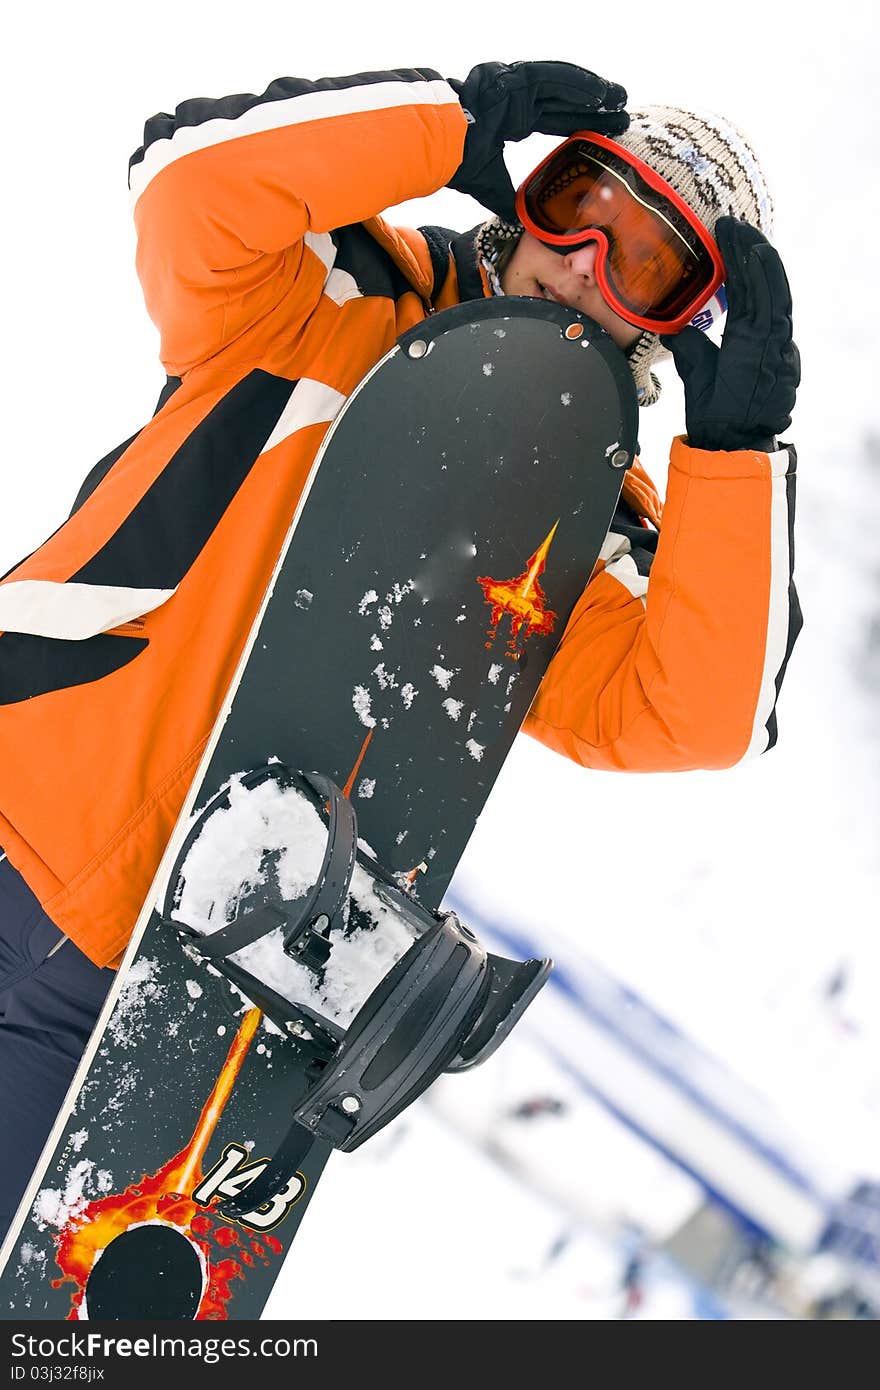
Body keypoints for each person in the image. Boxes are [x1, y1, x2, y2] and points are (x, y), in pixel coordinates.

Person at [0, 61, 800, 1242]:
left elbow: (691, 713)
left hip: (143, 992)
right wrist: (448, 122)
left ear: (676, 318)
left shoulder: (583, 528)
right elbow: (184, 188)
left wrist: (736, 453)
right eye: (582, 202)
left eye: (644, 260)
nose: (585, 259)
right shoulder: (330, 289)